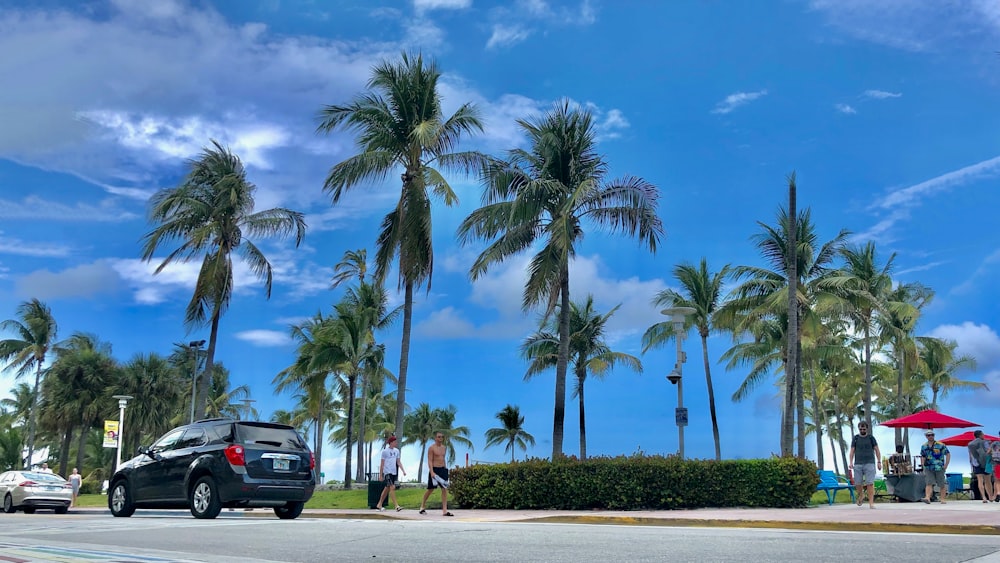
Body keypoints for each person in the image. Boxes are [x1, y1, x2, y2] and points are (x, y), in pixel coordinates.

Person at [848, 421, 881, 508]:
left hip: (869, 463)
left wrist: (879, 461)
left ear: (867, 429)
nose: (862, 430)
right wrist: (851, 462)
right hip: (858, 463)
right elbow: (852, 451)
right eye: (861, 429)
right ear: (859, 429)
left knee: (870, 483)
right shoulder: (856, 438)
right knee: (858, 483)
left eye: (864, 429)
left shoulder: (871, 438)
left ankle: (871, 503)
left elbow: (877, 450)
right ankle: (861, 495)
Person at [418, 432, 453, 517]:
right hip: (434, 469)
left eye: (442, 437)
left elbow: (443, 459)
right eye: (439, 437)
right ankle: (422, 506)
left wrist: (445, 469)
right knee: (430, 489)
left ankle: (445, 511)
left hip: (442, 469)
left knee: (444, 489)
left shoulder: (444, 448)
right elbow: (430, 460)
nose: (440, 438)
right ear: (435, 438)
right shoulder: (431, 448)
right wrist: (432, 471)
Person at [374, 435, 406, 512]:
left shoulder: (397, 451)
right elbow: (382, 464)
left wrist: (403, 470)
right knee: (392, 487)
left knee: (387, 488)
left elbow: (398, 462)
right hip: (387, 472)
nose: (396, 443)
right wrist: (381, 475)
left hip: (393, 472)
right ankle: (396, 506)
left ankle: (379, 504)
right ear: (391, 443)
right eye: (395, 442)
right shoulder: (385, 452)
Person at [920, 429, 950, 504]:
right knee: (929, 483)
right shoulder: (924, 446)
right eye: (929, 435)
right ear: (926, 436)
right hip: (929, 467)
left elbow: (948, 454)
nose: (930, 437)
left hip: (939, 467)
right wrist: (923, 465)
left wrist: (946, 465)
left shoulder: (940, 445)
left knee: (941, 483)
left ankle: (942, 498)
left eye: (932, 435)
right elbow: (923, 456)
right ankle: (927, 497)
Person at [968, 430, 994, 503]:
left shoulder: (970, 444)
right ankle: (990, 496)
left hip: (976, 463)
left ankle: (983, 497)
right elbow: (989, 451)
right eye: (983, 434)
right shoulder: (985, 442)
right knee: (988, 480)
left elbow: (970, 456)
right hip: (985, 463)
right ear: (980, 435)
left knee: (980, 480)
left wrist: (972, 463)